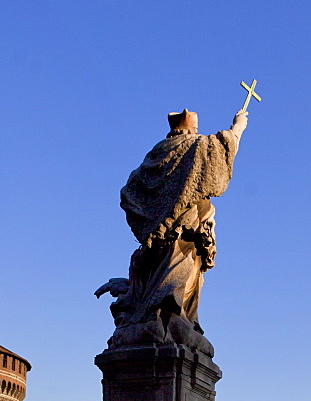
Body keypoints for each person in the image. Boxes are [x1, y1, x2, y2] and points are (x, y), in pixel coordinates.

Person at [100, 108, 248, 350]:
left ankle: (161, 317)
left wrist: (157, 213)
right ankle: (167, 319)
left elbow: (131, 191)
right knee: (175, 283)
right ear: (190, 128)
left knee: (158, 283)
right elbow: (222, 148)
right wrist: (238, 127)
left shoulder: (158, 154)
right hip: (184, 234)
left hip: (158, 235)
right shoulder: (193, 146)